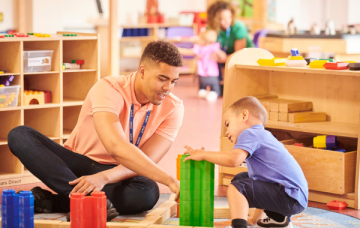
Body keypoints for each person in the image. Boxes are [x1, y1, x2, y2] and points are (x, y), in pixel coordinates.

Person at [8, 41, 184, 220]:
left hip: (118, 172)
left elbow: (147, 161)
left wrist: (105, 177)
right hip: (78, 165)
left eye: (173, 81)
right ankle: (86, 199)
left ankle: (61, 201)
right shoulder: (109, 88)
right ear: (143, 71)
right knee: (19, 135)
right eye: (162, 79)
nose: (168, 88)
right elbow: (115, 146)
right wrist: (170, 181)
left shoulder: (174, 107)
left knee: (147, 191)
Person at [183, 96, 308, 228]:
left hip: (289, 196)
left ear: (244, 115)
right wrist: (254, 221)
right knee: (242, 178)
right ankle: (278, 219)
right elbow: (264, 185)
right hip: (294, 197)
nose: (226, 132)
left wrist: (203, 154)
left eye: (227, 124)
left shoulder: (250, 133)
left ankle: (238, 225)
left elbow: (234, 160)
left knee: (237, 188)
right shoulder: (263, 135)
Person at [207, 1, 255, 93]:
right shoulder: (211, 28)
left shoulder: (238, 27)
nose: (227, 21)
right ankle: (216, 87)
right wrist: (217, 52)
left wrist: (225, 58)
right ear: (215, 19)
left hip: (245, 57)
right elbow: (208, 46)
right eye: (222, 19)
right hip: (225, 56)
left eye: (229, 17)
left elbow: (239, 55)